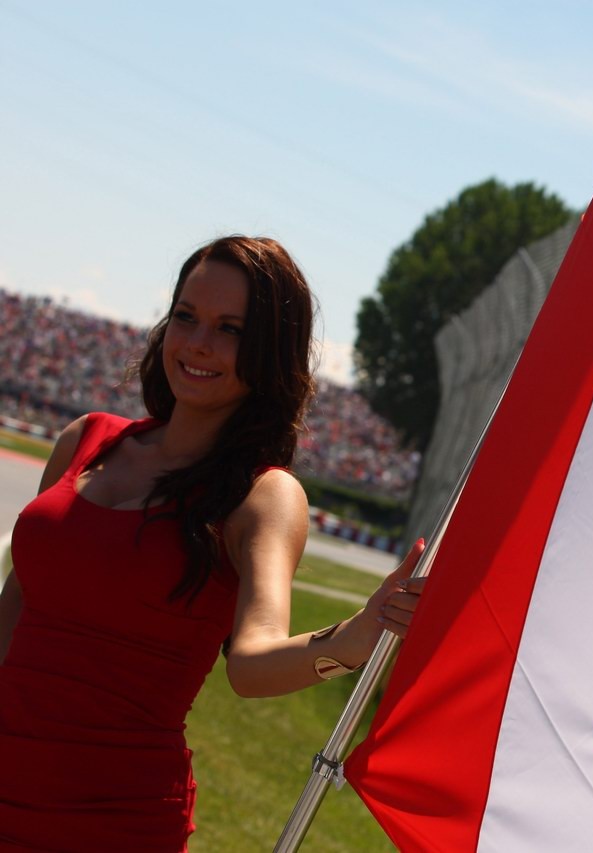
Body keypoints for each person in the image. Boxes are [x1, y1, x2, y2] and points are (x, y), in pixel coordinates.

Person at [0, 236, 428, 850]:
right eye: (186, 317)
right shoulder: (85, 440)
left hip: (109, 819)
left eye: (230, 329)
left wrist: (356, 637)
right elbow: (20, 604)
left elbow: (252, 666)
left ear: (268, 353)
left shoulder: (264, 497)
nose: (199, 343)